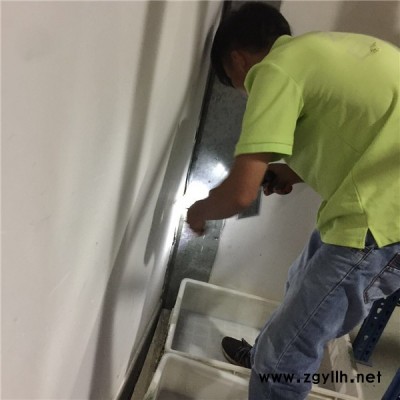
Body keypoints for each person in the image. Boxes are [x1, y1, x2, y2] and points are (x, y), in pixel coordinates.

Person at [186, 2, 400, 400]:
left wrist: (198, 212)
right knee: (298, 286)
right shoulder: (322, 50)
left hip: (381, 223)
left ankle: (273, 366)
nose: (247, 93)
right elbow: (367, 131)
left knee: (287, 354)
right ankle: (265, 357)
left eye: (237, 85)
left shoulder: (274, 70)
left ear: (238, 60)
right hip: (375, 207)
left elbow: (239, 194)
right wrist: (290, 172)